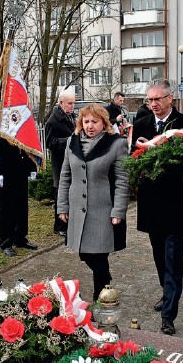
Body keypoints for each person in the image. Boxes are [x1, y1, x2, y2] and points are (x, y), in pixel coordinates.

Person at [131, 79, 183, 336]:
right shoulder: (141, 125)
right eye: (149, 100)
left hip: (176, 203)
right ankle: (167, 291)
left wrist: (174, 171)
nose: (153, 104)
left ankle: (168, 314)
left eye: (158, 99)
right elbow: (134, 158)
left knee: (173, 257)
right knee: (159, 255)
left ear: (170, 98)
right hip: (151, 204)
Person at [57, 103, 129, 301]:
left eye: (95, 122)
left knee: (98, 256)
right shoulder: (73, 142)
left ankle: (101, 296)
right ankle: (105, 280)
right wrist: (62, 206)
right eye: (86, 121)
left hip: (102, 210)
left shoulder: (116, 144)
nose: (90, 126)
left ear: (104, 123)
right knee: (85, 253)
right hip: (77, 210)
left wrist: (118, 211)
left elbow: (123, 180)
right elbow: (65, 176)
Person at [0, 129, 38, 257]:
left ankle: (20, 238)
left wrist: (31, 167)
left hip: (20, 170)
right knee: (7, 209)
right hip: (5, 172)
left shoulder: (18, 119)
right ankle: (6, 242)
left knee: (21, 206)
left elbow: (26, 146)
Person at [45, 89, 76, 237]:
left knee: (71, 192)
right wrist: (69, 141)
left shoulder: (71, 116)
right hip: (60, 162)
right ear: (61, 103)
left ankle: (69, 222)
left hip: (72, 160)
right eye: (70, 103)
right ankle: (59, 225)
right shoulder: (53, 120)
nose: (72, 106)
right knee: (61, 193)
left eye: (74, 103)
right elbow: (50, 143)